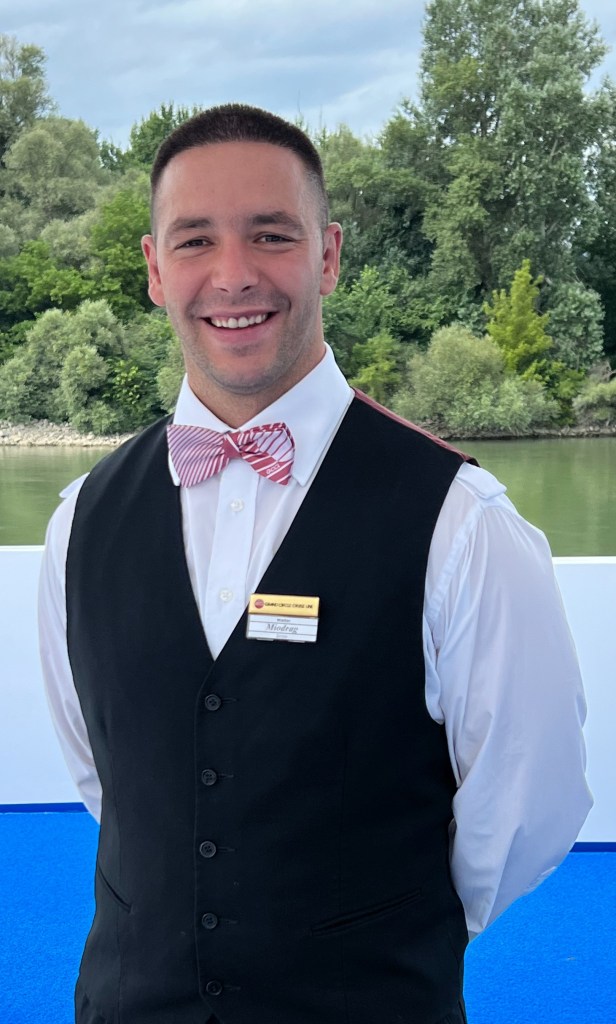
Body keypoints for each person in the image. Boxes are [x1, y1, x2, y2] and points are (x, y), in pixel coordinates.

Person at [39, 104, 592, 1024]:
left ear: (328, 256)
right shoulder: (80, 521)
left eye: (271, 234)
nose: (233, 274)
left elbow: (529, 804)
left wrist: (379, 926)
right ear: (154, 270)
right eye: (195, 240)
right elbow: (109, 782)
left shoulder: (461, 521)